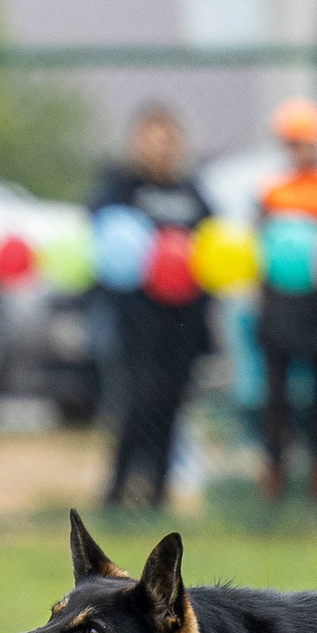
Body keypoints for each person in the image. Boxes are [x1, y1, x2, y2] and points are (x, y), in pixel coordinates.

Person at [93, 104, 213, 510]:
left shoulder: (191, 192)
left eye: (168, 139)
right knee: (136, 402)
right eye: (152, 138)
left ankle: (157, 494)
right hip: (136, 320)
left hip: (182, 322)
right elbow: (97, 242)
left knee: (171, 404)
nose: (161, 148)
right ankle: (118, 490)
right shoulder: (120, 188)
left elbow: (214, 248)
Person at [255, 98, 317, 504]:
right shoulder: (271, 192)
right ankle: (275, 469)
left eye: (308, 142)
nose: (301, 151)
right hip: (280, 303)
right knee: (276, 395)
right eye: (294, 143)